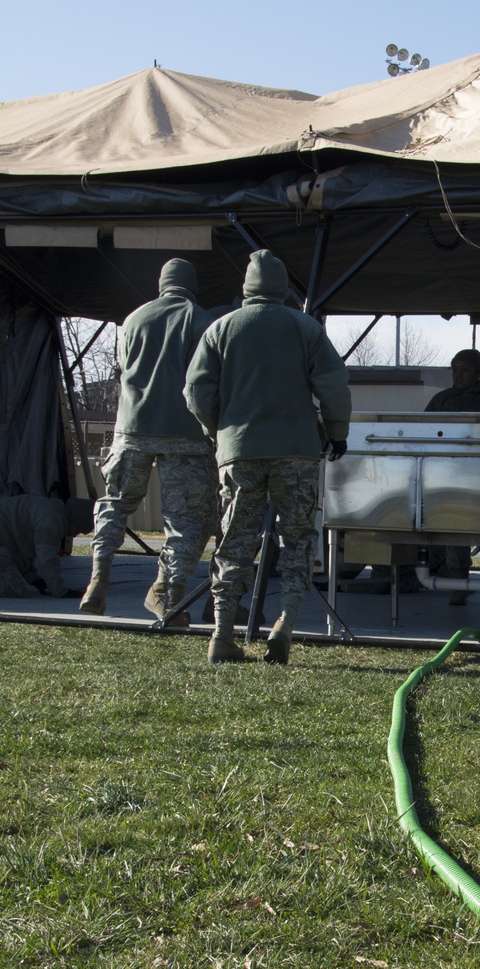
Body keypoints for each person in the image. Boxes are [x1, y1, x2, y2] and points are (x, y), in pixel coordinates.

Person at [184, 248, 352, 666]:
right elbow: (333, 386)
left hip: (238, 452)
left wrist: (218, 431)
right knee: (296, 538)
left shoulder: (220, 329)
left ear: (246, 286)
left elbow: (196, 393)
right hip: (296, 450)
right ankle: (285, 625)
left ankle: (222, 635)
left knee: (235, 541)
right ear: (282, 288)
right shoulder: (305, 328)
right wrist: (337, 433)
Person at [79, 258, 215, 624]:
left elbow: (124, 367)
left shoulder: (132, 319)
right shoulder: (198, 318)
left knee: (115, 503)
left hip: (130, 427)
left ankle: (98, 579)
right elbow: (204, 376)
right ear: (191, 285)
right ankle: (170, 597)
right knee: (182, 520)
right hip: (183, 434)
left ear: (161, 284)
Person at [424, 349, 480, 607]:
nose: (458, 375)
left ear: (478, 372)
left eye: (465, 369)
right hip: (450, 478)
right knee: (454, 533)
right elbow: (425, 433)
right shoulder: (441, 400)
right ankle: (459, 585)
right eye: (455, 369)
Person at [0, 495, 93, 598]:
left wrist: (35, 579)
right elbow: (47, 560)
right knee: (12, 590)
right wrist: (60, 591)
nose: (73, 535)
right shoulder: (53, 522)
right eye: (78, 530)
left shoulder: (52, 510)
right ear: (76, 522)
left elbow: (18, 550)